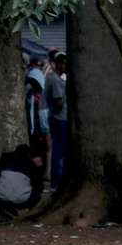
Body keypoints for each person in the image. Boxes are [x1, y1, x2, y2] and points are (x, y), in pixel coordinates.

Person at [0, 144, 43, 221]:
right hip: (22, 199)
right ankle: (25, 210)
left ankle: (7, 211)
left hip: (1, 195)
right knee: (37, 193)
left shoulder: (4, 159)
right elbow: (38, 184)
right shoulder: (30, 164)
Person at [45, 52, 68, 191]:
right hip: (60, 118)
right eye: (64, 64)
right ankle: (57, 182)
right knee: (59, 151)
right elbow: (59, 102)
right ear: (59, 64)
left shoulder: (53, 79)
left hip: (57, 118)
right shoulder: (56, 80)